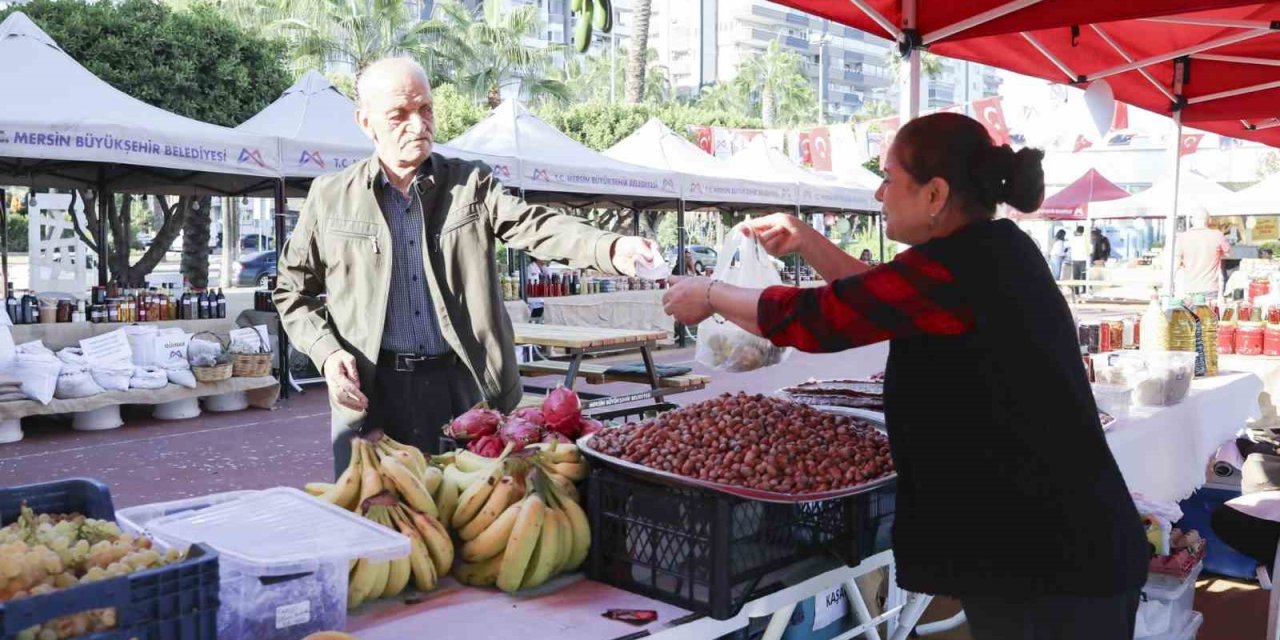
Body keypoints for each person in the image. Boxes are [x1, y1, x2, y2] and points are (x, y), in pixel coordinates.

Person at [662, 113, 1147, 639]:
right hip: (1054, 544)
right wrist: (806, 240)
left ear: (934, 194)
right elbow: (878, 295)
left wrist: (710, 294)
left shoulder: (960, 267)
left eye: (889, 179)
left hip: (1051, 560)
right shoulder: (990, 250)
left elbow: (819, 319)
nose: (879, 194)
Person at [275, 57, 660, 476]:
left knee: (474, 510)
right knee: (375, 508)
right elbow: (291, 290)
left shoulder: (469, 184)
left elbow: (534, 225)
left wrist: (610, 247)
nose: (419, 125)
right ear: (366, 123)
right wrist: (327, 353)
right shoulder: (330, 197)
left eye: (426, 109)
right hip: (370, 395)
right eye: (399, 114)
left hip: (464, 391)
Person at [1175, 209, 1230, 298]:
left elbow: (1176, 263)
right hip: (1210, 288)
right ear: (1209, 220)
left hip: (1190, 289)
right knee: (1209, 307)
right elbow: (1229, 254)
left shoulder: (1182, 237)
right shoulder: (1218, 235)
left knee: (1190, 307)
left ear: (1192, 220)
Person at [1069, 225, 1090, 292]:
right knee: (1084, 276)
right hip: (1083, 260)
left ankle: (1076, 291)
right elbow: (1089, 250)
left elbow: (1070, 248)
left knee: (1076, 276)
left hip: (1075, 259)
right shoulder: (1085, 239)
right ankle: (1084, 290)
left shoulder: (1073, 239)